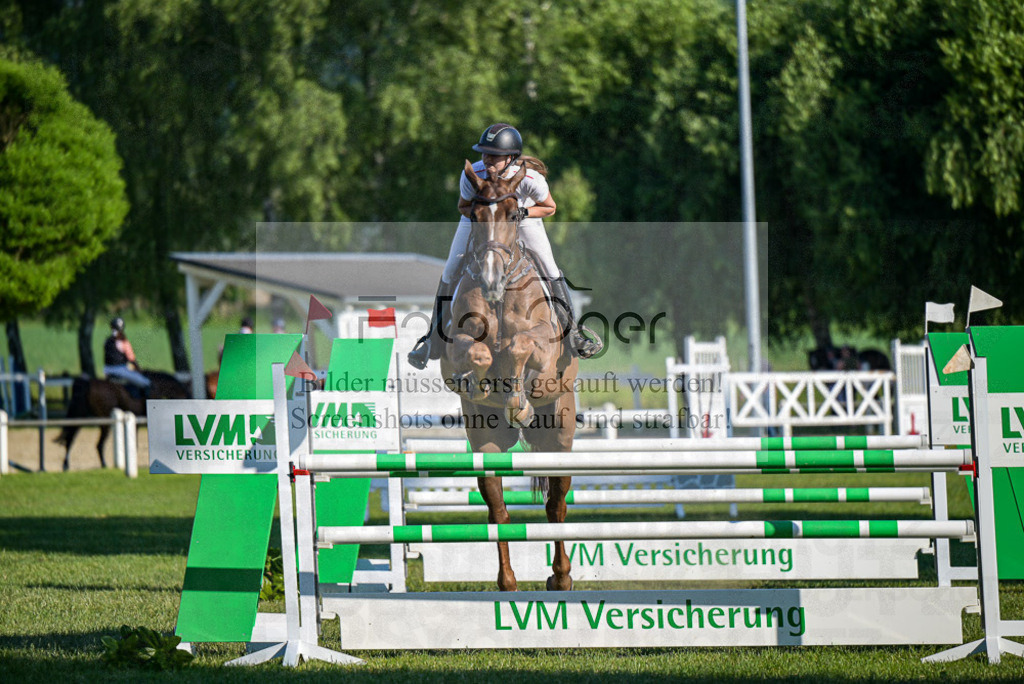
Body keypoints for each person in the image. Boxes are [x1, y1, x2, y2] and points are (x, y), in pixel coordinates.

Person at [408, 123, 602, 369]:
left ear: (511, 158)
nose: (487, 160)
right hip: (481, 219)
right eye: (485, 153)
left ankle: (572, 333)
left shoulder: (531, 178)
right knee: (450, 269)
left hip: (523, 219)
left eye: (495, 156)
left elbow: (550, 207)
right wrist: (485, 218)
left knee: (550, 268)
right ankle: (432, 339)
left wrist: (523, 212)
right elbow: (462, 206)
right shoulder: (473, 173)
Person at [103, 317, 151, 394]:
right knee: (146, 382)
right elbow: (132, 360)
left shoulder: (106, 340)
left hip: (107, 370)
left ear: (111, 327)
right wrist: (139, 370)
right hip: (120, 369)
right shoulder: (123, 341)